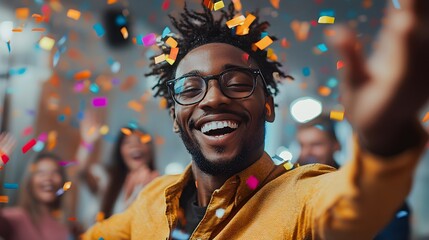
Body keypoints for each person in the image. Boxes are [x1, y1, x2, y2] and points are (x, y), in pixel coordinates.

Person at [83, 0, 429, 239]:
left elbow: (353, 209)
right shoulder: (153, 198)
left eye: (236, 83)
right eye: (190, 89)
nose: (214, 98)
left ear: (268, 106)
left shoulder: (304, 197)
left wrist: (384, 141)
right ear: (176, 117)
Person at [296, 115, 412, 240]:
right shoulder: (293, 187)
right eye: (302, 145)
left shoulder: (359, 185)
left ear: (336, 145)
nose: (307, 152)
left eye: (316, 145)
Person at [75, 111, 159, 228]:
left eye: (140, 141)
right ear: (120, 151)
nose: (135, 146)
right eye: (128, 143)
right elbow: (82, 172)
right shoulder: (107, 177)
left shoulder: (157, 183)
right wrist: (88, 143)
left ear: (150, 150)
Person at [0, 134, 75, 240]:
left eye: (54, 172)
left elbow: (76, 173)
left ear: (63, 182)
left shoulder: (69, 225)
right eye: (41, 173)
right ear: (30, 182)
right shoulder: (16, 218)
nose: (48, 178)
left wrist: (87, 145)